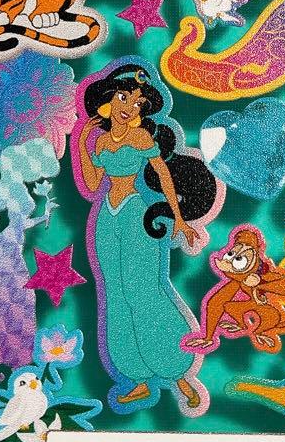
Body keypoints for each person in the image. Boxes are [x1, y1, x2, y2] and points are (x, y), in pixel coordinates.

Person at [73, 61, 219, 414]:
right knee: (115, 295)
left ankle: (178, 373)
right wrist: (79, 141)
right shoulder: (101, 141)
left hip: (137, 215)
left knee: (146, 290)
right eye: (124, 98)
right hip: (106, 219)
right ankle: (137, 377)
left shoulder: (140, 138)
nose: (130, 107)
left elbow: (164, 177)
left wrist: (180, 219)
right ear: (109, 100)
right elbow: (92, 184)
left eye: (138, 102)